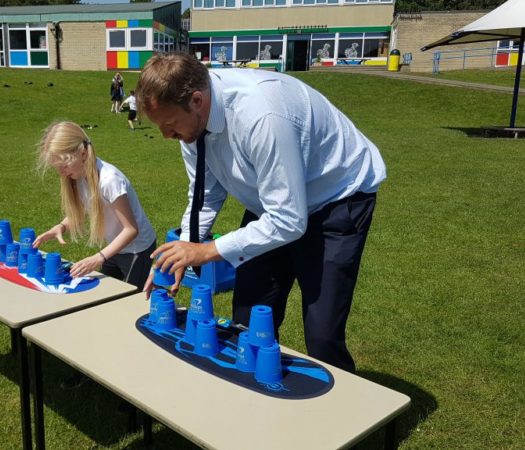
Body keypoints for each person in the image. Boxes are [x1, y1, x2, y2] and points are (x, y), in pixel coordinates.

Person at [136, 53, 386, 373]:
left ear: (197, 100)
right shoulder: (190, 122)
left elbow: (289, 220)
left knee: (322, 335)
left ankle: (345, 415)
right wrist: (181, 251)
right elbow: (206, 195)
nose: (166, 136)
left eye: (169, 125)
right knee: (247, 318)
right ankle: (257, 405)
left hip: (338, 197)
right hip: (272, 206)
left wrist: (206, 251)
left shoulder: (261, 114)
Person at [33, 121, 157, 387]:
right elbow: (88, 206)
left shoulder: (110, 180)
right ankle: (92, 370)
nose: (63, 173)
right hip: (114, 250)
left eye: (63, 165)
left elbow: (130, 229)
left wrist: (98, 258)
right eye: (58, 168)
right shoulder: (79, 177)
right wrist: (62, 225)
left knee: (129, 314)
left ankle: (133, 380)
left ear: (81, 153)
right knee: (98, 308)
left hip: (138, 251)